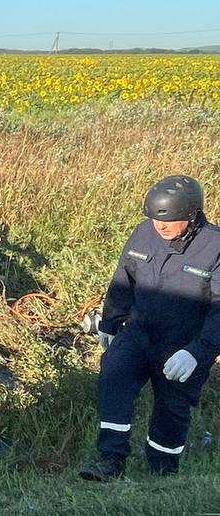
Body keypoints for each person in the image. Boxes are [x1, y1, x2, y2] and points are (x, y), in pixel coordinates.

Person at [79, 174, 220, 481]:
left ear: (192, 215)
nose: (161, 227)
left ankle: (162, 473)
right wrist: (111, 321)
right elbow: (123, 278)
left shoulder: (215, 246)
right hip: (139, 332)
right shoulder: (143, 233)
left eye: (169, 221)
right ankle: (110, 460)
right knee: (113, 376)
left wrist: (197, 352)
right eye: (155, 219)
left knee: (172, 408)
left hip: (184, 344)